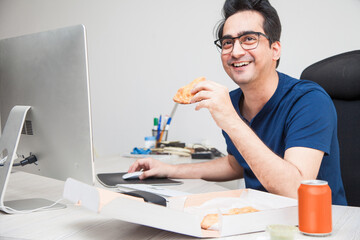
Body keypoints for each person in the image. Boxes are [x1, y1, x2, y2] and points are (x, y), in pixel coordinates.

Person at [128, 0, 347, 205]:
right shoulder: (232, 101)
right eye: (227, 42)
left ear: (275, 49)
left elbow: (296, 190)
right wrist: (169, 169)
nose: (236, 51)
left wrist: (231, 121)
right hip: (261, 220)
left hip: (320, 225)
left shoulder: (309, 100)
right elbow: (236, 163)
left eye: (249, 39)